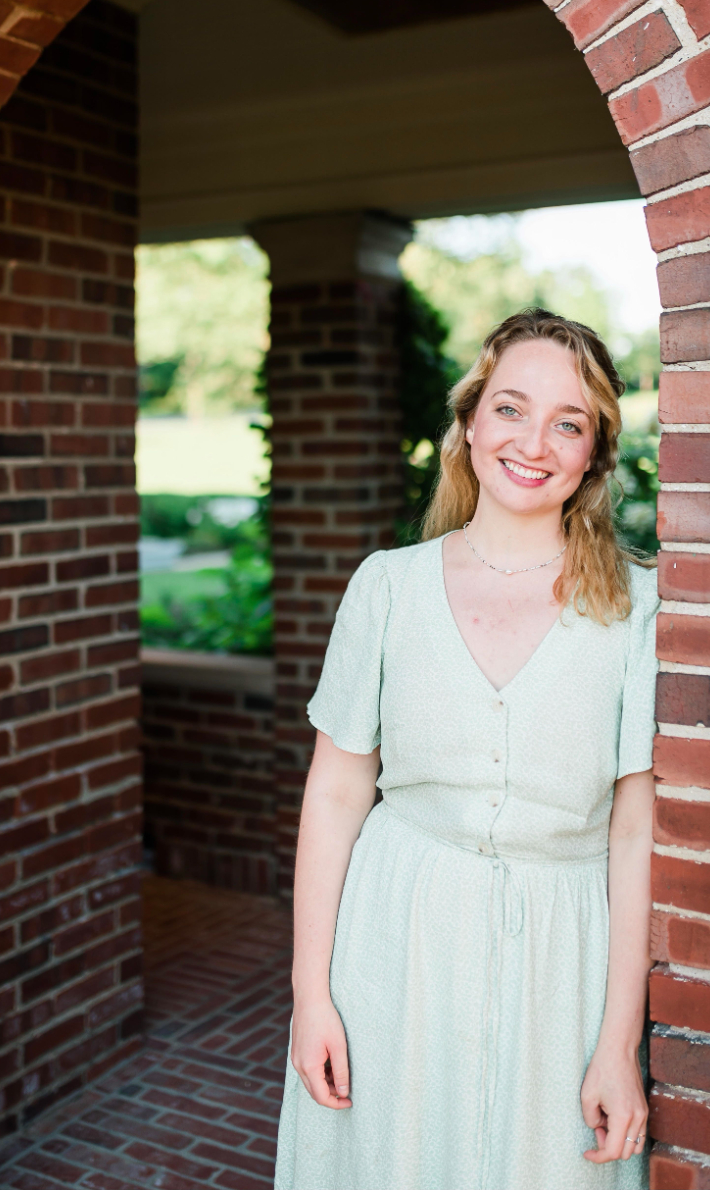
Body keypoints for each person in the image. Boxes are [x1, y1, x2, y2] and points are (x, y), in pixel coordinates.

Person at [274, 308, 657, 1190]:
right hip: (393, 943)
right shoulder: (386, 587)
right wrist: (310, 995)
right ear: (470, 423)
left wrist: (617, 1042)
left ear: (595, 453)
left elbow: (634, 831)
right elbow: (334, 797)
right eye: (510, 409)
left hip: (561, 966)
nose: (533, 443)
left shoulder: (638, 608)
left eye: (568, 423)